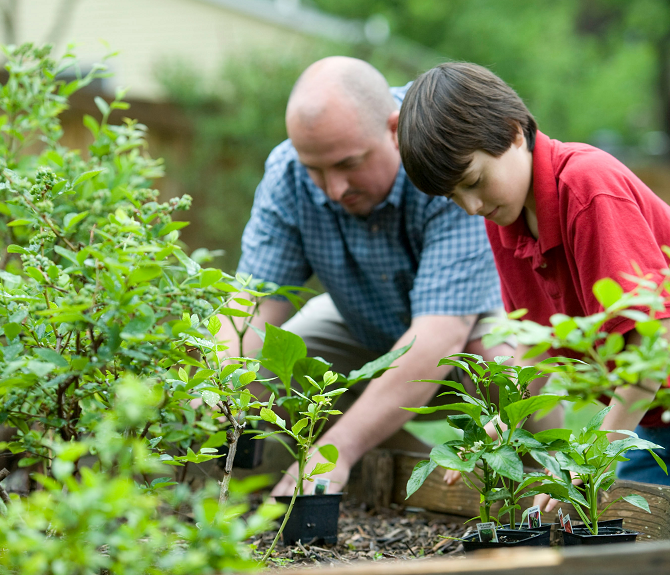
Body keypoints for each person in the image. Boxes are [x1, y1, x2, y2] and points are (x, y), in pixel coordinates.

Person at [217, 56, 512, 497]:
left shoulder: (442, 151)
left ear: (394, 130)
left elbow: (440, 337)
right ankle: (410, 477)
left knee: (506, 369)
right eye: (316, 169)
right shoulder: (288, 174)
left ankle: (528, 482)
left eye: (349, 164)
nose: (334, 189)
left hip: (467, 328)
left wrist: (336, 448)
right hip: (362, 327)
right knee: (275, 362)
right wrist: (217, 387)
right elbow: (250, 308)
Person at [396, 61, 670, 499]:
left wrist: (593, 459)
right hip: (652, 417)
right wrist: (497, 430)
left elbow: (655, 338)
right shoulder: (505, 217)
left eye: (474, 181)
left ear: (513, 132)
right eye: (453, 197)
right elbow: (536, 340)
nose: (470, 206)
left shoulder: (587, 188)